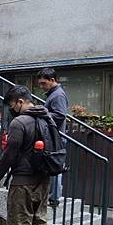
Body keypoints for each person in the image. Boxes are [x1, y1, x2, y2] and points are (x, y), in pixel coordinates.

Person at [0, 85, 60, 225]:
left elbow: (9, 154)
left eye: (12, 105)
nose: (11, 109)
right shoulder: (47, 118)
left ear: (20, 102)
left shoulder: (20, 122)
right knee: (40, 222)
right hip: (44, 178)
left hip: (23, 180)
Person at [37, 68, 68, 207]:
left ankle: (54, 198)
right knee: (54, 166)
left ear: (53, 80)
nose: (42, 86)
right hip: (55, 136)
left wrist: (43, 114)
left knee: (55, 166)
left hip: (56, 137)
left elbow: (60, 115)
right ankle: (53, 197)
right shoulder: (54, 94)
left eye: (44, 83)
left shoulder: (57, 95)